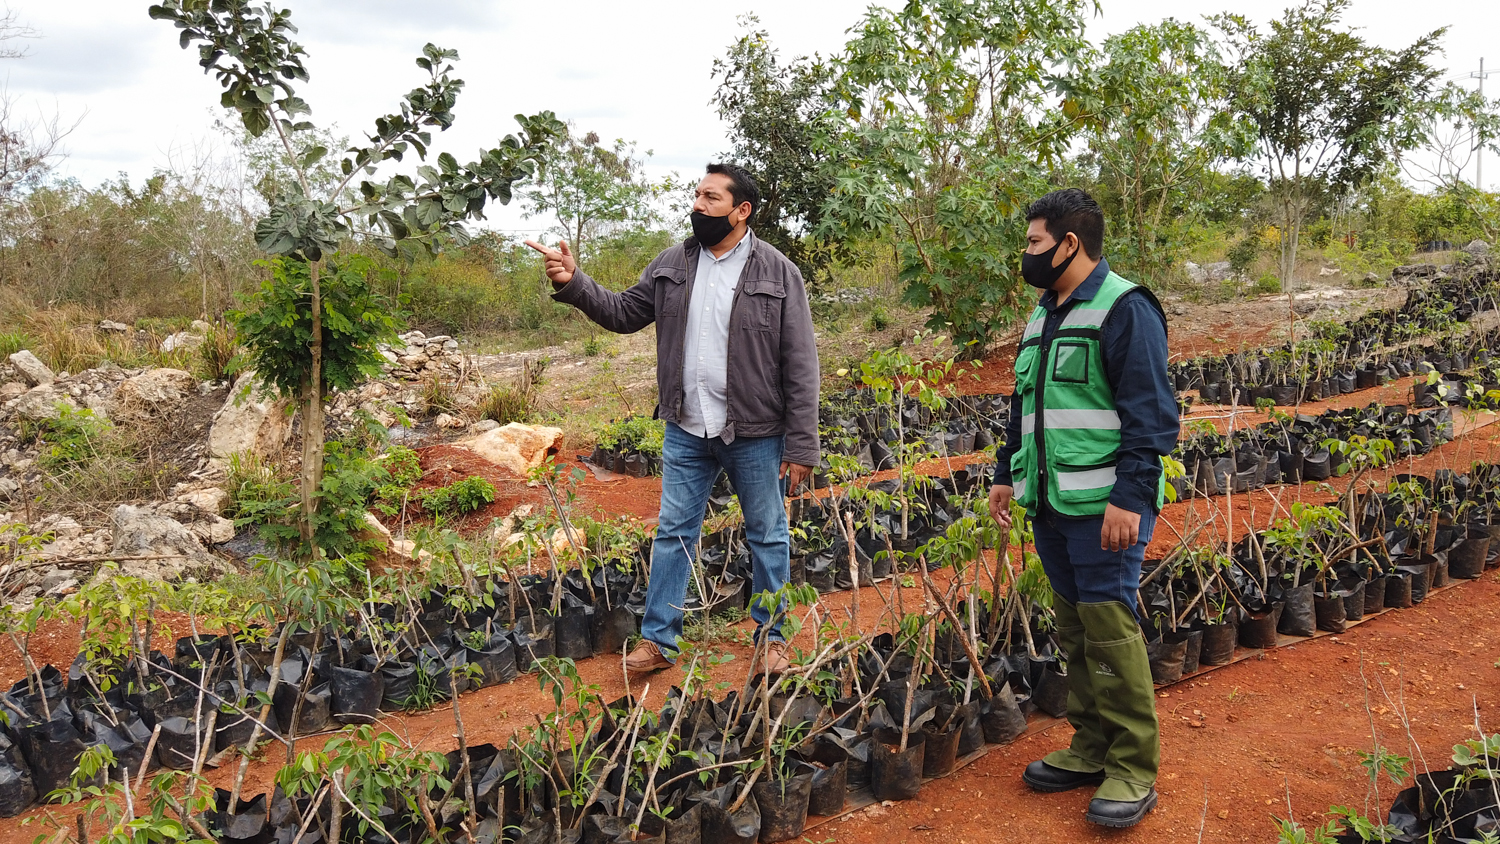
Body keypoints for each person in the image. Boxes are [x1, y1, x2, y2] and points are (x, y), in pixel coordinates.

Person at [525, 163, 820, 676]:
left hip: (753, 431)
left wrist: (802, 444)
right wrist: (574, 282)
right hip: (686, 425)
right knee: (673, 532)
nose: (698, 205)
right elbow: (622, 313)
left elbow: (801, 362)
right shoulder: (673, 264)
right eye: (697, 195)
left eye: (711, 198)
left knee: (767, 533)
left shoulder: (777, 272)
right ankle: (659, 640)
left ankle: (772, 638)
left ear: (741, 211)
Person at [987, 188, 1179, 829]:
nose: (1027, 253)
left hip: (1105, 510)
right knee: (1074, 631)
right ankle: (1092, 745)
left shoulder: (1125, 309)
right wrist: (1005, 476)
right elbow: (1025, 407)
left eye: (1035, 242)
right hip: (1051, 503)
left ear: (1070, 244)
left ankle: (1132, 764)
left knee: (1109, 630)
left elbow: (1151, 415)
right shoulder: (1043, 315)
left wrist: (1130, 496)